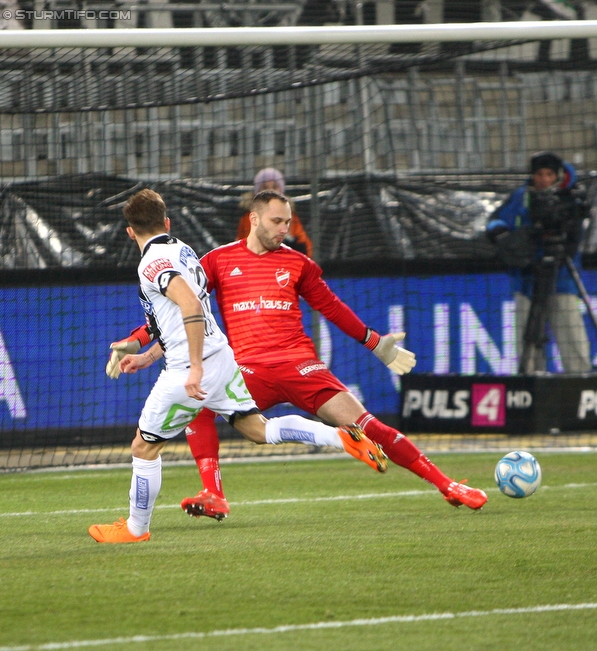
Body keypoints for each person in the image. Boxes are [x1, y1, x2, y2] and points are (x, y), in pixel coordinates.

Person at [109, 189, 488, 518]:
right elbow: (185, 312)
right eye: (276, 221)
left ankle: (447, 484)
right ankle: (214, 494)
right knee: (200, 407)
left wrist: (374, 343)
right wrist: (141, 344)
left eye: (287, 222)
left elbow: (332, 307)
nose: (284, 229)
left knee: (367, 424)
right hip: (248, 370)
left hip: (301, 367)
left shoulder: (297, 263)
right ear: (254, 219)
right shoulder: (218, 260)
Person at [89, 189, 386, 544]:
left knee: (144, 446)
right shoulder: (183, 250)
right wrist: (145, 353)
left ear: (129, 232)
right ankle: (338, 436)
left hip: (189, 368)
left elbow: (188, 306)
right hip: (223, 358)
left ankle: (135, 530)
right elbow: (171, 316)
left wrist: (194, 368)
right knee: (257, 429)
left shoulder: (151, 263)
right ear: (166, 222)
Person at [486, 152, 591, 374]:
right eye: (539, 174)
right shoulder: (521, 196)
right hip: (526, 280)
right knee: (527, 340)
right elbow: (495, 220)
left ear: (557, 175)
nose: (543, 179)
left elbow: (574, 242)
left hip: (561, 280)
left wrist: (561, 255)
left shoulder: (570, 199)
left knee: (571, 338)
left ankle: (580, 380)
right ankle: (530, 379)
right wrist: (502, 234)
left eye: (549, 174)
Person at [236, 168, 314, 258]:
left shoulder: (291, 217)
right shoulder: (248, 218)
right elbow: (242, 244)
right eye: (265, 187)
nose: (270, 190)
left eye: (274, 186)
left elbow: (305, 246)